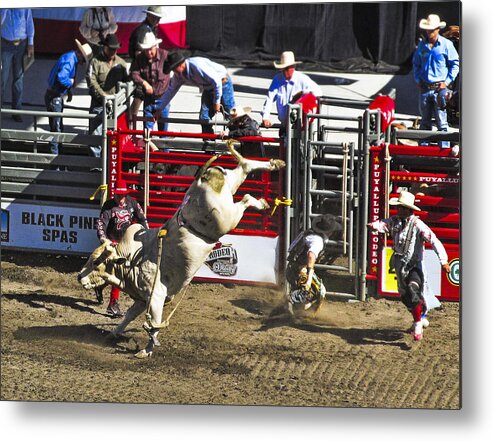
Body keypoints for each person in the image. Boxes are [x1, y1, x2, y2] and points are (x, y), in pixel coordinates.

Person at [367, 191, 451, 341]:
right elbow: (382, 224)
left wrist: (443, 260)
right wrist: (374, 225)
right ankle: (420, 315)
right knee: (406, 296)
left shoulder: (418, 225)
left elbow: (434, 241)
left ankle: (418, 323)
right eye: (399, 207)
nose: (399, 210)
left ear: (409, 209)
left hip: (414, 265)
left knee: (413, 289)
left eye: (402, 207)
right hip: (400, 265)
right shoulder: (394, 221)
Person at [95, 179, 149, 317]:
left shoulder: (132, 202)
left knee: (119, 273)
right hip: (113, 243)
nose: (120, 198)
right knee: (118, 272)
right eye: (117, 195)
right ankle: (113, 304)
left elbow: (142, 218)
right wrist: (104, 240)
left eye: (122, 195)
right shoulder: (108, 207)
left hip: (128, 242)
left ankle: (100, 287)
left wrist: (146, 233)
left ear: (126, 194)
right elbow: (101, 225)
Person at [159, 51, 236, 134]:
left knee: (230, 113)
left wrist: (216, 101)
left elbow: (216, 81)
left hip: (223, 83)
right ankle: (208, 141)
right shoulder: (179, 75)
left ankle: (236, 137)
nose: (174, 71)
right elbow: (171, 90)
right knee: (204, 117)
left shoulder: (197, 66)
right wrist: (160, 108)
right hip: (208, 87)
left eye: (174, 68)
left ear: (181, 65)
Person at [412, 14, 459, 149]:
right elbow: (416, 64)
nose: (429, 32)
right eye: (428, 29)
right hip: (425, 89)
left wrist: (447, 81)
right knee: (425, 122)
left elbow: (455, 64)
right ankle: (424, 151)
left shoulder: (446, 45)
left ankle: (443, 151)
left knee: (442, 122)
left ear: (438, 29)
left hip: (440, 89)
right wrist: (417, 79)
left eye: (432, 29)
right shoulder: (422, 45)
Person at [44, 39, 92, 156]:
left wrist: (68, 90)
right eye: (83, 60)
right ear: (80, 54)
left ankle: (57, 157)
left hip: (53, 95)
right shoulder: (70, 60)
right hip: (55, 97)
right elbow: (62, 77)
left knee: (57, 128)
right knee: (57, 129)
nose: (82, 63)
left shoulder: (69, 57)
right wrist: (70, 83)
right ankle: (56, 158)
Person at [286, 214, 341, 310]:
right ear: (330, 231)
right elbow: (311, 255)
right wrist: (309, 278)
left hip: (293, 267)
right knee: (319, 291)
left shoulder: (308, 233)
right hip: (299, 270)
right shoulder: (317, 241)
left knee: (310, 294)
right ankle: (292, 302)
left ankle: (296, 308)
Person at [86, 34, 129, 157]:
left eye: (115, 49)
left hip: (115, 105)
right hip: (99, 103)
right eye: (110, 48)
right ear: (104, 47)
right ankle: (95, 165)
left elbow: (126, 82)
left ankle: (110, 163)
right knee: (95, 134)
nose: (113, 51)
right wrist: (103, 95)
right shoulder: (95, 61)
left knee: (114, 135)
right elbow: (91, 81)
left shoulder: (121, 63)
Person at [260, 51, 322, 136]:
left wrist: (303, 94)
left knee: (298, 146)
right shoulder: (277, 79)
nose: (285, 72)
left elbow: (318, 91)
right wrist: (265, 117)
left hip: (299, 127)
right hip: (285, 125)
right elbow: (269, 98)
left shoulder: (302, 79)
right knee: (284, 145)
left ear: (293, 67)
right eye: (283, 69)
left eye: (287, 68)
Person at [128, 5, 164, 123]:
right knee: (139, 95)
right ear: (148, 15)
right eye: (155, 17)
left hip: (145, 67)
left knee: (143, 97)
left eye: (159, 18)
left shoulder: (149, 28)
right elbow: (138, 53)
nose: (157, 21)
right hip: (142, 68)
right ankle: (130, 124)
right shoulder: (143, 30)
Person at [130, 32, 171, 132]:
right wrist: (144, 83)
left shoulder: (165, 55)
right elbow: (134, 73)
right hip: (149, 99)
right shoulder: (140, 59)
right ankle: (149, 147)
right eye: (146, 50)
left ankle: (162, 147)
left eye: (150, 49)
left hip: (163, 98)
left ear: (155, 46)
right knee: (147, 132)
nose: (148, 53)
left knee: (163, 132)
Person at [1, 8, 35, 122]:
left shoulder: (24, 6)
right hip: (5, 44)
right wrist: (4, 8)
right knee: (2, 79)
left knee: (18, 79)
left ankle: (16, 111)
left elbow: (29, 23)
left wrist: (31, 43)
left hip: (21, 44)